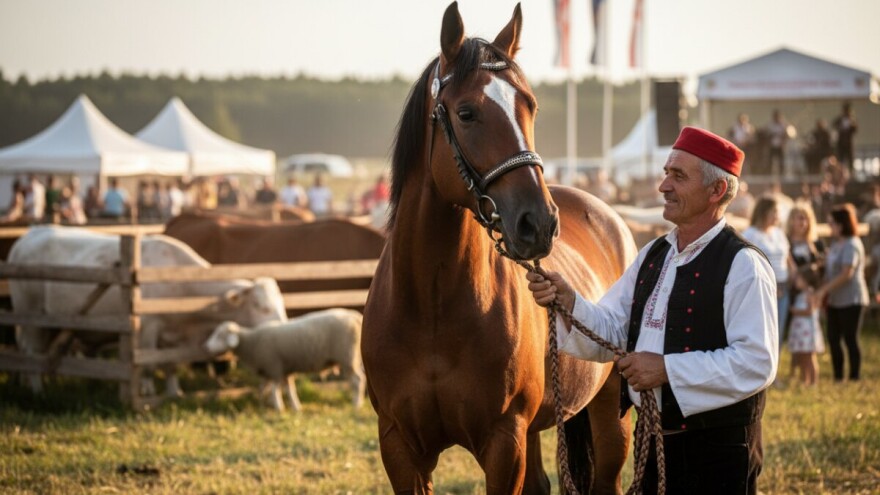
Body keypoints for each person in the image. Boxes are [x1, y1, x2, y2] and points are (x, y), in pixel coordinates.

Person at [526, 127, 777, 494]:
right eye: (665, 173)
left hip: (719, 454)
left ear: (716, 191)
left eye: (678, 176)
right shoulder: (654, 255)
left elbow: (757, 361)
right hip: (655, 444)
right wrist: (569, 301)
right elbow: (611, 328)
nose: (663, 186)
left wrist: (666, 369)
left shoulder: (743, 265)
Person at [816, 204, 869, 382]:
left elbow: (847, 274)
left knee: (850, 339)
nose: (830, 227)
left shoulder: (852, 244)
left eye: (832, 223)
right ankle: (838, 376)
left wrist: (824, 290)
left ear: (841, 224)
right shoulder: (836, 244)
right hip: (835, 300)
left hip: (852, 299)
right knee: (833, 338)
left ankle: (854, 377)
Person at [743, 196, 795, 343]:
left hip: (783, 288)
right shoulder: (750, 234)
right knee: (764, 332)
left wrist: (796, 278)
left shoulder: (779, 233)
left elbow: (787, 257)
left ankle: (775, 365)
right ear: (763, 212)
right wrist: (770, 286)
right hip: (762, 289)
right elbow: (748, 264)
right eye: (774, 212)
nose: (777, 216)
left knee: (779, 331)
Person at [788, 266, 825, 386]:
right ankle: (805, 380)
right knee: (802, 357)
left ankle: (814, 382)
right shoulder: (801, 294)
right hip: (800, 330)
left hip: (807, 331)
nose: (796, 280)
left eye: (799, 278)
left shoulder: (810, 294)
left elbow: (810, 311)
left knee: (810, 358)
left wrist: (795, 311)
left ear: (806, 280)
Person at [832, 102, 858, 172]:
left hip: (849, 143)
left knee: (850, 160)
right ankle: (841, 174)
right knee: (841, 160)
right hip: (841, 143)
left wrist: (852, 124)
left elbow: (855, 130)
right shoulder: (840, 119)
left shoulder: (852, 120)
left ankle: (851, 174)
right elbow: (834, 125)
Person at [765, 109, 789, 177]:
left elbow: (786, 135)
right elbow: (767, 135)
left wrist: (783, 142)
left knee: (781, 161)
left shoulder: (783, 125)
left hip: (780, 146)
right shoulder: (770, 125)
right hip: (772, 146)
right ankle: (769, 174)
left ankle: (782, 174)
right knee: (771, 161)